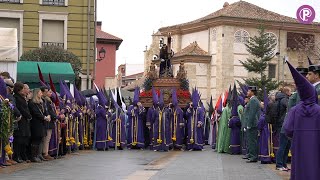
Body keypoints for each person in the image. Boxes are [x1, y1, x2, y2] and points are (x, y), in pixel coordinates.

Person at [284, 60, 320, 180]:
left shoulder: (295, 110)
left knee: (299, 167)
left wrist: (296, 136)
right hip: (316, 144)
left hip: (299, 143)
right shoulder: (318, 110)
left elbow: (288, 129)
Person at [13, 82, 32, 163]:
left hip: (25, 121)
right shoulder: (17, 97)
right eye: (23, 89)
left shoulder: (22, 97)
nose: (24, 90)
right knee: (19, 140)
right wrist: (28, 115)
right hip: (21, 121)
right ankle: (17, 156)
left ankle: (22, 155)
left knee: (24, 140)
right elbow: (21, 109)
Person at [28, 88, 49, 162]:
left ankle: (37, 154)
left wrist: (47, 116)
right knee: (35, 140)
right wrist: (44, 117)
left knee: (40, 139)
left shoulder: (41, 102)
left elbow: (45, 111)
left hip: (42, 123)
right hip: (35, 123)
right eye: (40, 92)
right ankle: (33, 156)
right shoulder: (32, 103)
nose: (41, 94)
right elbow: (36, 113)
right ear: (36, 94)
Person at [244, 86, 260, 163]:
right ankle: (251, 155)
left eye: (248, 91)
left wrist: (249, 124)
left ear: (252, 92)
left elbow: (252, 113)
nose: (247, 92)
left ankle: (253, 157)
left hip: (252, 124)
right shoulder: (252, 100)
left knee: (252, 141)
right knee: (250, 140)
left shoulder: (253, 100)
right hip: (252, 123)